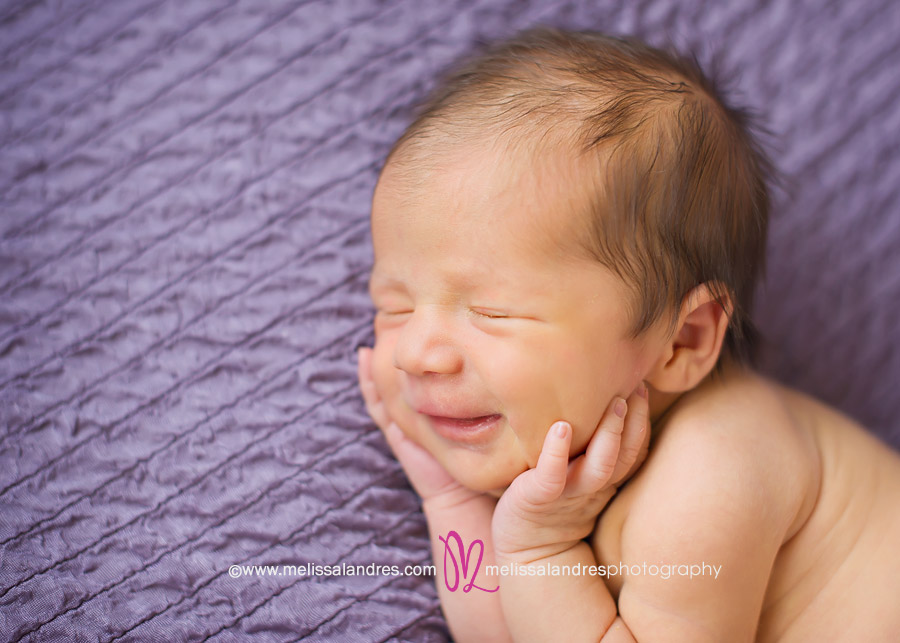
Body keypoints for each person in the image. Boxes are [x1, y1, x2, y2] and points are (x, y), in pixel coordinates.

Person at [356, 27, 900, 641]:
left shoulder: (711, 476)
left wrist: (541, 552)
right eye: (394, 307)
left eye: (492, 312)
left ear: (683, 341)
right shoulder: (564, 467)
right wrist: (452, 501)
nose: (416, 354)